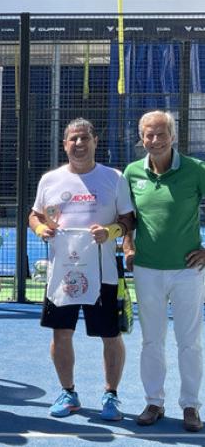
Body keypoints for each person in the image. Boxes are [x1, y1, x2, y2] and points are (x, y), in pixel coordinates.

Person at [28, 118, 134, 421]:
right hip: (62, 274)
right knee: (61, 334)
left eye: (84, 138)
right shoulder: (50, 180)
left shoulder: (114, 178)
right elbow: (34, 215)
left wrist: (112, 232)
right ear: (65, 144)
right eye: (73, 139)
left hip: (103, 274)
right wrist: (39, 230)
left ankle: (111, 395)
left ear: (95, 141)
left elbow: (129, 220)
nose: (79, 143)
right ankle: (68, 392)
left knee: (110, 336)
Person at [123, 110, 205, 432]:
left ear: (173, 136)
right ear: (141, 137)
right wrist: (128, 246)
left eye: (160, 134)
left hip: (189, 271)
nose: (154, 140)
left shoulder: (197, 170)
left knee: (190, 343)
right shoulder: (131, 173)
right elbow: (126, 217)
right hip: (147, 270)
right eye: (148, 135)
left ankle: (191, 407)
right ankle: (154, 402)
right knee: (151, 341)